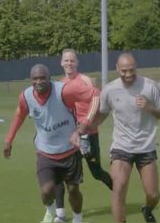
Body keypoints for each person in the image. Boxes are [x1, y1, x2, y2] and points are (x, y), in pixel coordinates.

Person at [3, 64, 99, 223]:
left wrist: (85, 125)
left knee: (73, 190)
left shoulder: (64, 91)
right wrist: (8, 140)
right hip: (45, 154)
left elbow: (95, 95)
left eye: (43, 78)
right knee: (47, 192)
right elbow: (19, 115)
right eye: (35, 79)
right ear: (30, 80)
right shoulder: (25, 97)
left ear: (49, 78)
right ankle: (52, 212)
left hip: (70, 151)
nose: (39, 82)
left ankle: (77, 218)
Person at [91, 53, 160, 222]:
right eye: (124, 71)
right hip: (121, 147)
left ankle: (147, 209)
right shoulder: (110, 90)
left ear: (136, 68)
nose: (128, 74)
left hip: (146, 147)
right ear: (117, 69)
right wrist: (84, 129)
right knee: (118, 188)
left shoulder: (149, 86)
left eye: (132, 70)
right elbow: (102, 115)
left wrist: (150, 108)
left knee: (153, 194)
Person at [52, 49, 113, 222]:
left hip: (89, 134)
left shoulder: (86, 81)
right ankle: (61, 214)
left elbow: (100, 103)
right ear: (61, 63)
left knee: (96, 172)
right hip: (69, 136)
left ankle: (117, 191)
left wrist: (91, 123)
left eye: (72, 60)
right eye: (66, 60)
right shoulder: (60, 84)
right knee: (61, 173)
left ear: (77, 63)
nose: (69, 63)